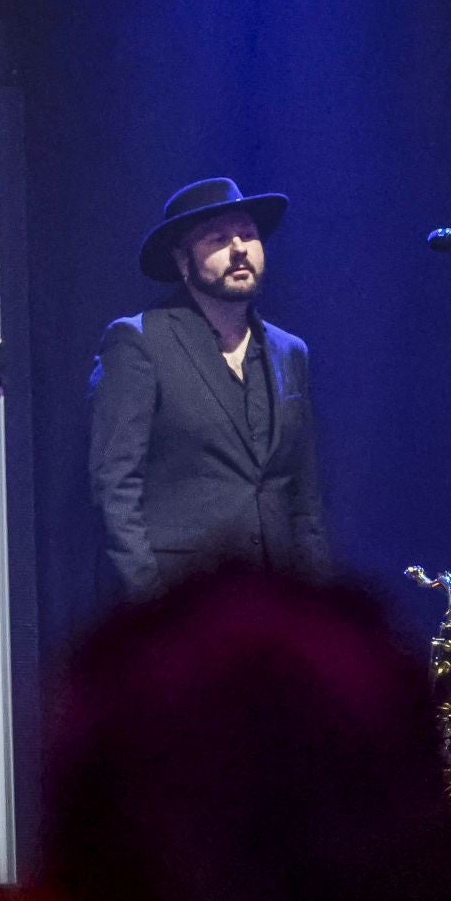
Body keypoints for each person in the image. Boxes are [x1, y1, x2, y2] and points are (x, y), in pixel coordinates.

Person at [89, 178, 331, 596]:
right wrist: (150, 605)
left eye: (248, 234)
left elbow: (303, 500)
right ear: (184, 262)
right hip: (186, 603)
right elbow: (115, 487)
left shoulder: (290, 351)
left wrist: (319, 607)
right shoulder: (139, 341)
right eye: (218, 238)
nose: (239, 248)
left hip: (276, 600)